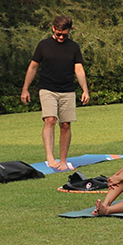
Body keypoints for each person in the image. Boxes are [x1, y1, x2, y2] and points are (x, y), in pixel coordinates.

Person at [20, 16, 90, 172]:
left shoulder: (73, 47)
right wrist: (25, 89)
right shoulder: (43, 45)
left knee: (65, 124)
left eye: (64, 35)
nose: (60, 37)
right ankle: (50, 158)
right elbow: (32, 68)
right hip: (47, 89)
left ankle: (63, 160)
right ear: (53, 29)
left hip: (67, 90)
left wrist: (85, 89)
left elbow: (78, 69)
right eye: (58, 34)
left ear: (69, 32)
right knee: (50, 120)